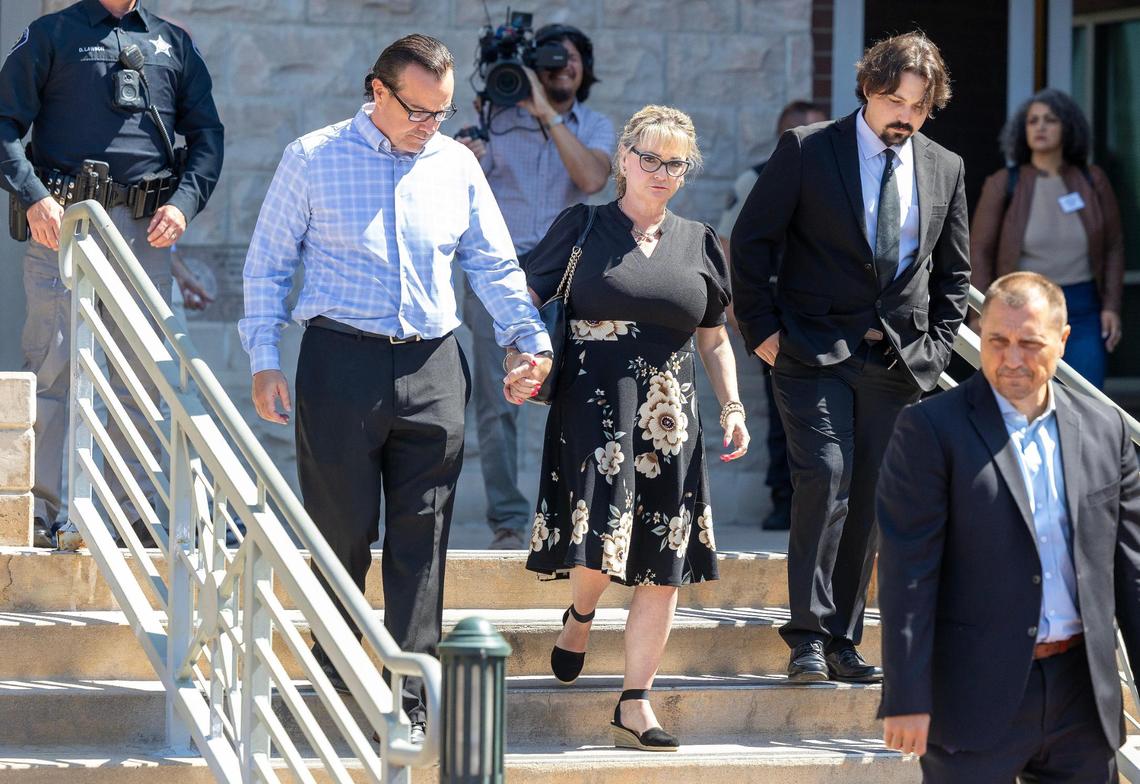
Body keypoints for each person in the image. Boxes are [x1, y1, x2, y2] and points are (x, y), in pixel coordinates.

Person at [239, 34, 550, 744]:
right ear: (377, 91)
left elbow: (493, 264)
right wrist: (263, 357)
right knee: (342, 531)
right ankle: (335, 675)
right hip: (340, 363)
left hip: (434, 364)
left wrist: (528, 337)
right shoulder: (312, 157)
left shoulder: (455, 164)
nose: (430, 126)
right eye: (418, 111)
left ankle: (410, 693)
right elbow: (268, 265)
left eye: (442, 112)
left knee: (424, 537)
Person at [730, 31, 970, 684]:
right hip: (811, 350)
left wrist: (934, 349)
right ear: (867, 88)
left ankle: (841, 640)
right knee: (825, 475)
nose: (905, 117)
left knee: (870, 499)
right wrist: (760, 328)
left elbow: (954, 275)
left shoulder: (945, 167)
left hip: (898, 363)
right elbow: (751, 242)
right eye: (895, 101)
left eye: (919, 107)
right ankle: (806, 637)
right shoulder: (808, 149)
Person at [517, 105, 749, 751]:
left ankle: (635, 701)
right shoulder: (584, 226)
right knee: (598, 536)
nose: (660, 172)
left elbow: (714, 339)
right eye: (649, 158)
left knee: (663, 559)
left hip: (671, 417)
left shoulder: (699, 241)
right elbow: (524, 299)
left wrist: (732, 407)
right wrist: (523, 356)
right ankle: (581, 613)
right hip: (594, 406)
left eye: (675, 163)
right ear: (623, 158)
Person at [877, 271, 1140, 782]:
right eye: (997, 341)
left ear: (1063, 340)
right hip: (971, 695)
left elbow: (1131, 571)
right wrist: (906, 695)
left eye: (1030, 343)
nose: (1012, 358)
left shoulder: (1105, 429)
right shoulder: (930, 429)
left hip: (1081, 697)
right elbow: (908, 573)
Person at [0, 0, 223, 549]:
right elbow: (3, 123)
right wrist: (33, 196)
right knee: (53, 367)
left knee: (141, 376)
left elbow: (207, 135)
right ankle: (42, 514)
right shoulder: (52, 33)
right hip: (64, 221)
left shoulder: (174, 43)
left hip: (146, 231)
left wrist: (184, 204)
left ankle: (132, 518)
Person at [455, 23, 614, 549]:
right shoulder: (493, 119)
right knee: (499, 399)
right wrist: (466, 156)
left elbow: (591, 179)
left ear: (584, 68)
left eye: (571, 58)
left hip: (569, 273)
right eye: (550, 59)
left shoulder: (594, 124)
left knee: (575, 390)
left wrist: (547, 114)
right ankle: (508, 521)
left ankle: (574, 512)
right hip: (499, 273)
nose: (561, 66)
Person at [717, 100, 827, 531]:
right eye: (797, 133)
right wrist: (739, 312)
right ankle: (785, 501)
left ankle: (823, 502)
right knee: (784, 411)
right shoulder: (756, 179)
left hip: (831, 313)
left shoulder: (843, 176)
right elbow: (729, 244)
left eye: (815, 131)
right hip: (778, 313)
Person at [970, 89, 1124, 390]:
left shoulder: (1092, 180)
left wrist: (1111, 306)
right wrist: (979, 314)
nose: (1040, 127)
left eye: (1050, 120)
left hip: (1083, 308)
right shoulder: (1005, 183)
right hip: (1022, 306)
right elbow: (980, 251)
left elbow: (1114, 247)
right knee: (1027, 394)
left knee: (1085, 398)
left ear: (1068, 127)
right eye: (1033, 121)